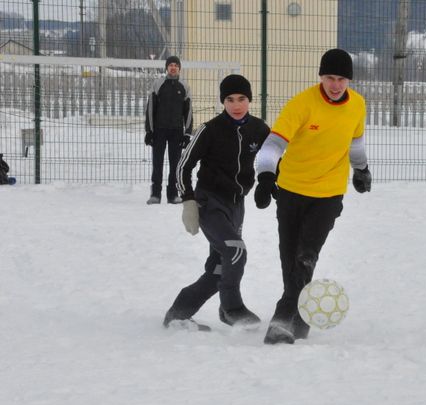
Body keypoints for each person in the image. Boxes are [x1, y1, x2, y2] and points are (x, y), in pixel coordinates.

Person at [254, 48, 372, 345]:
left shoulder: (357, 105)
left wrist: (361, 169)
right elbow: (272, 145)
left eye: (342, 79)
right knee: (289, 259)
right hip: (292, 190)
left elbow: (355, 141)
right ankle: (301, 317)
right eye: (330, 78)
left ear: (349, 80)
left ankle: (281, 321)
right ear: (321, 77)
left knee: (306, 256)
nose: (335, 85)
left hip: (328, 194)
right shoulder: (302, 104)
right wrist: (266, 176)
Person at [162, 74, 270, 330]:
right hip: (209, 202)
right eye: (230, 99)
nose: (236, 105)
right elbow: (183, 166)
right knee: (235, 250)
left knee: (220, 268)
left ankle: (178, 313)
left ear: (249, 100)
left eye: (242, 99)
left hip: (236, 205)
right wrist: (188, 202)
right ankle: (231, 309)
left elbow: (274, 157)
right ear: (223, 101)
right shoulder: (210, 130)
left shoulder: (259, 129)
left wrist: (270, 183)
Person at [145, 55, 193, 205]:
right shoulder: (158, 84)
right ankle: (155, 194)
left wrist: (187, 134)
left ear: (179, 68)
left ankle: (173, 194)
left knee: (176, 164)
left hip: (176, 132)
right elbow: (150, 109)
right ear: (166, 68)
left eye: (176, 65)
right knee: (157, 163)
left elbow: (189, 112)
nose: (173, 67)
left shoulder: (184, 87)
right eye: (170, 65)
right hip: (159, 130)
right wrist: (149, 131)